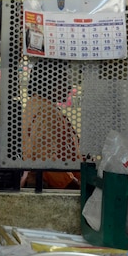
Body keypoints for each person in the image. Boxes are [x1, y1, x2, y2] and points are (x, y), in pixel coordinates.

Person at [21, 58, 82, 189]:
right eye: (65, 80)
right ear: (51, 82)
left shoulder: (35, 104)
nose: (69, 86)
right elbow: (47, 163)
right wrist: (76, 187)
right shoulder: (47, 113)